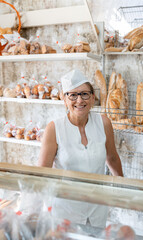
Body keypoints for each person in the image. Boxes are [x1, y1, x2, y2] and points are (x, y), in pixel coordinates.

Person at [38, 69, 123, 229]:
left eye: (84, 94)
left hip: (97, 207)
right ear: (64, 99)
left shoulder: (104, 123)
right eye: (73, 95)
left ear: (92, 98)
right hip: (66, 210)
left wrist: (125, 188)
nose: (79, 100)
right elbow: (42, 173)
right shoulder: (54, 128)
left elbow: (112, 157)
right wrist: (40, 209)